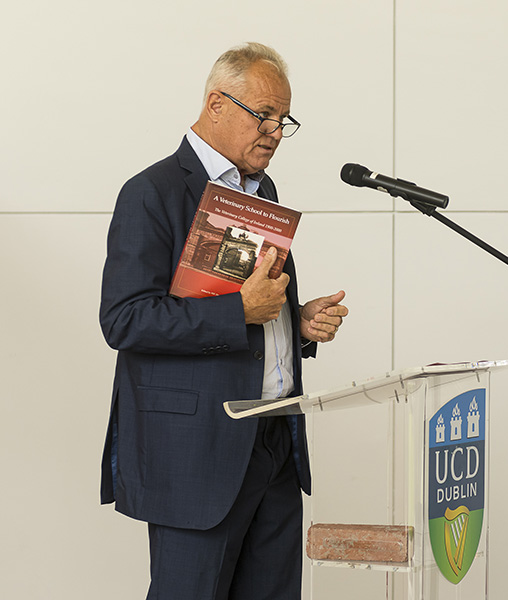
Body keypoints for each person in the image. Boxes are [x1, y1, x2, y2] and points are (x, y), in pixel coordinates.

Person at [99, 42, 348, 600]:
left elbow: (255, 304)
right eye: (264, 115)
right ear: (216, 103)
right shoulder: (152, 193)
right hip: (198, 452)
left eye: (285, 120)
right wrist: (238, 313)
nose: (276, 131)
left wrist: (295, 321)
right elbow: (124, 319)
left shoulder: (263, 192)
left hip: (274, 441)